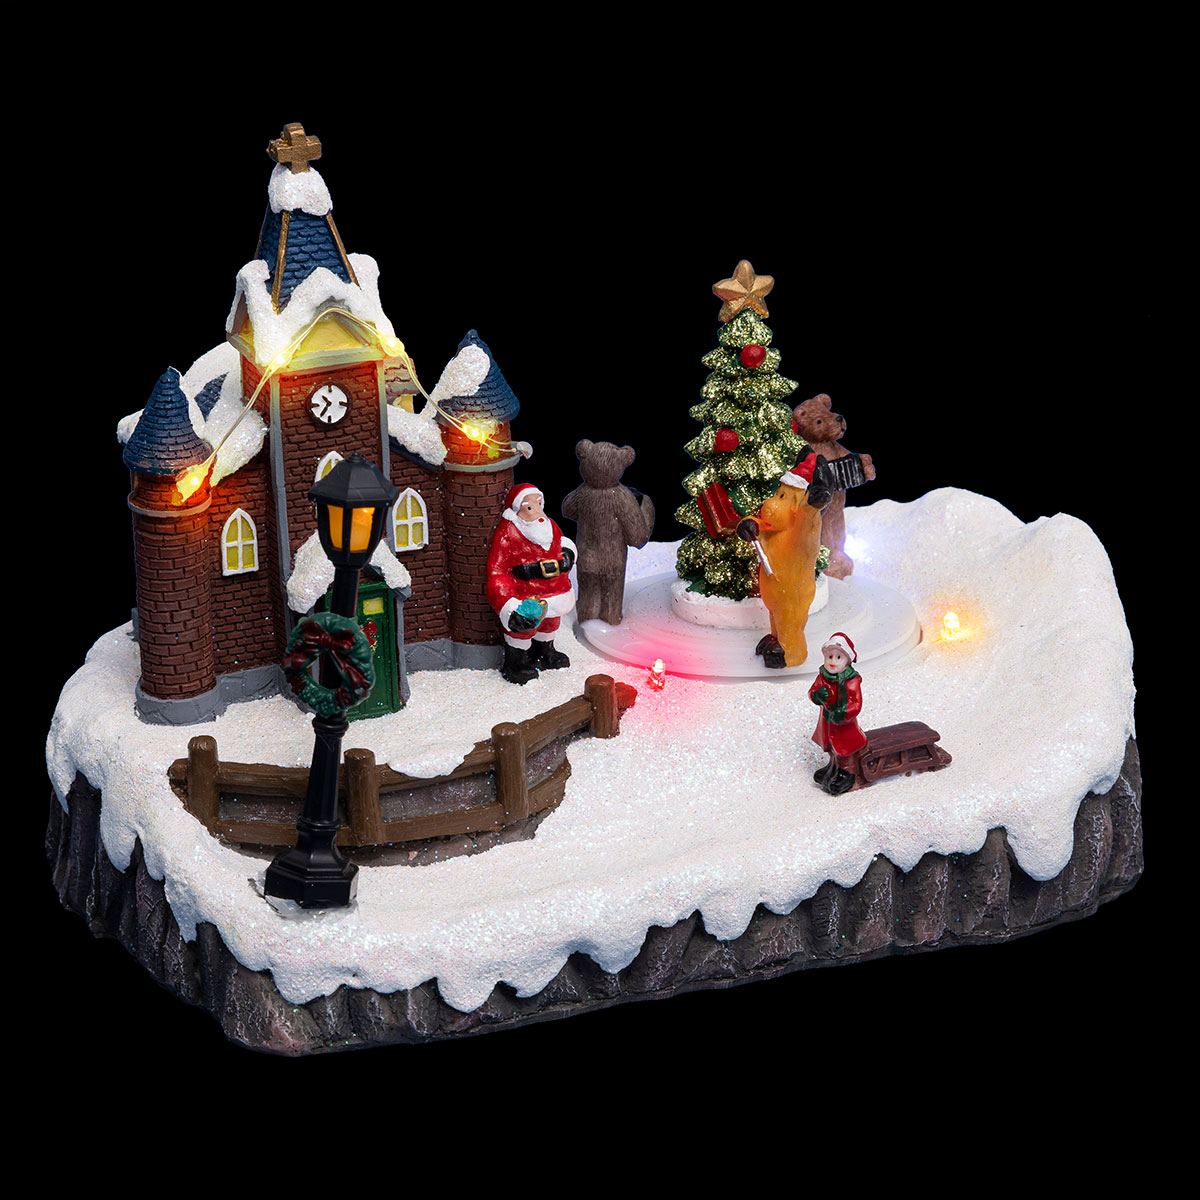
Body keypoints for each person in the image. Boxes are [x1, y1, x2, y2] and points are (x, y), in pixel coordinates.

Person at [485, 484, 577, 684]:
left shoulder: (548, 526)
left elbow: (561, 543)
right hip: (526, 595)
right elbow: (497, 573)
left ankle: (544, 651)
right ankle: (516, 663)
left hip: (555, 592)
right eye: (529, 507)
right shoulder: (507, 534)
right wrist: (508, 604)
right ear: (516, 510)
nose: (537, 512)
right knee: (524, 628)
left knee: (550, 623)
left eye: (539, 504)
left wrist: (568, 553)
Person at [809, 632, 868, 794]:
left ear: (847, 661)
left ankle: (847, 773)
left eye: (838, 657)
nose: (832, 661)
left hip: (844, 724)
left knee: (846, 749)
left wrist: (843, 713)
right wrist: (817, 695)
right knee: (831, 746)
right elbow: (812, 692)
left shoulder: (851, 680)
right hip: (827, 721)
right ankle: (833, 766)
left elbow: (856, 703)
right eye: (829, 657)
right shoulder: (822, 677)